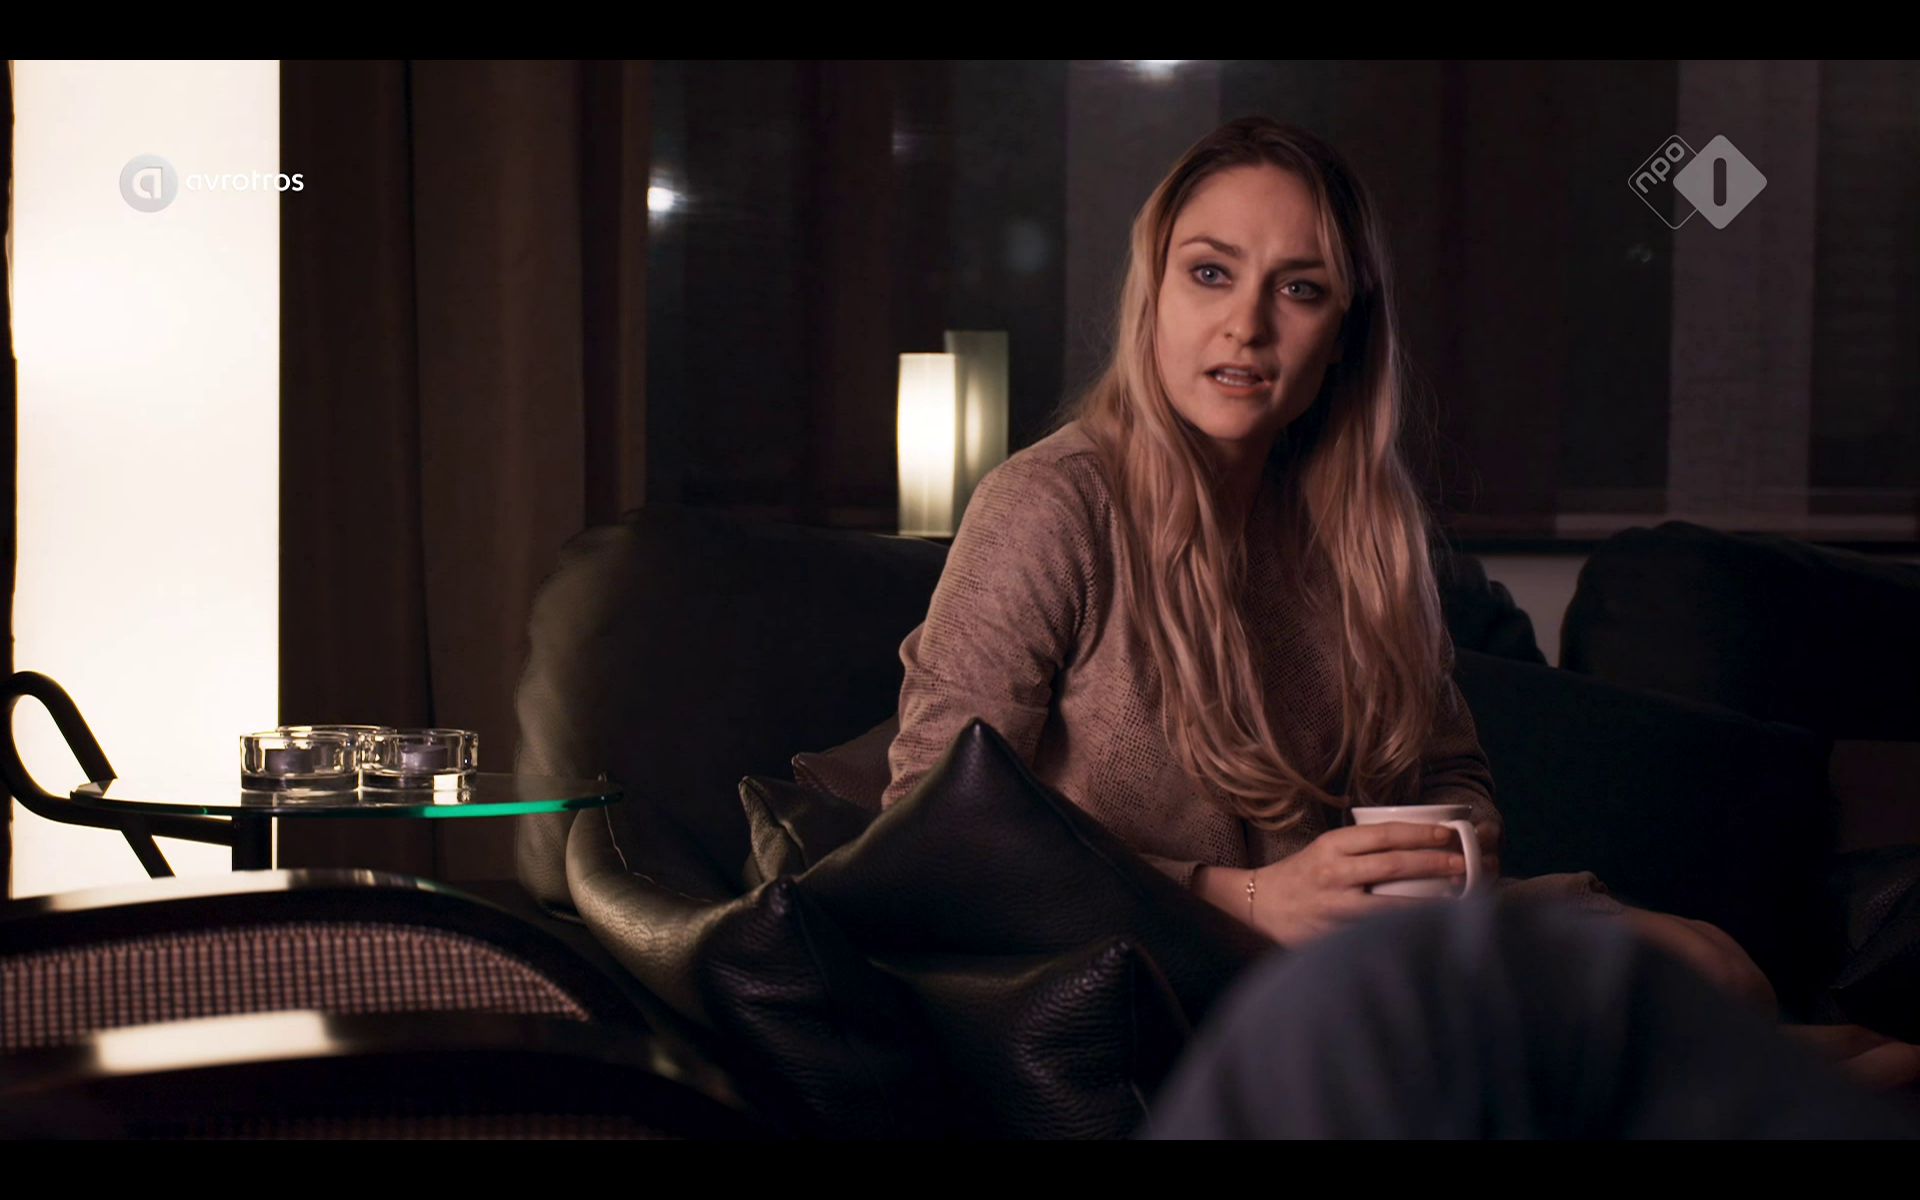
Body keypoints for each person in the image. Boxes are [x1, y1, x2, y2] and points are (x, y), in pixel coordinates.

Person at [879, 114, 1771, 1008]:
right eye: (1210, 273)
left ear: (1343, 332)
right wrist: (1243, 898)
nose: (1246, 325)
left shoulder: (1359, 532)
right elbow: (936, 833)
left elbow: (1448, 771)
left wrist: (1449, 847)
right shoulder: (1051, 504)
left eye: (1300, 289)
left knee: (1719, 968)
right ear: (1153, 294)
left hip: (1375, 944)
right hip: (1175, 961)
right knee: (1684, 1016)